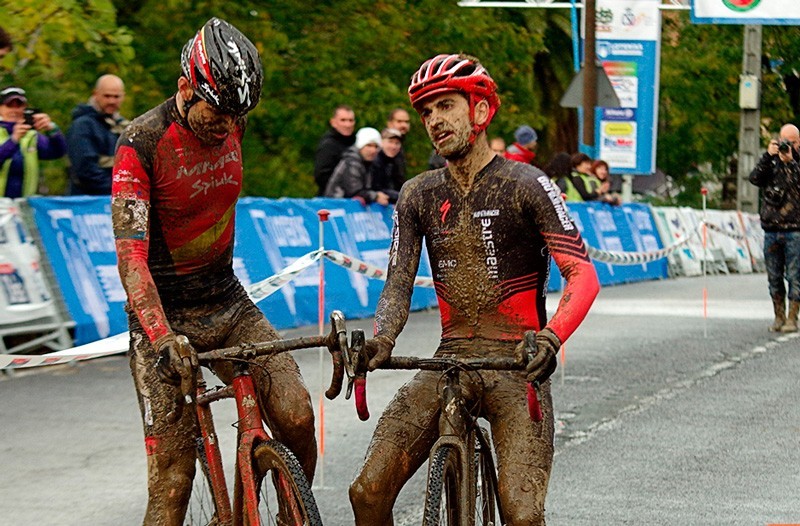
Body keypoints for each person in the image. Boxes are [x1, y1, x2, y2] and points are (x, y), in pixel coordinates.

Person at [349, 53, 600, 525]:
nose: (434, 120)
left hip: (516, 363)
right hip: (450, 357)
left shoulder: (527, 183)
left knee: (522, 515)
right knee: (367, 491)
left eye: (446, 105)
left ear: (481, 112)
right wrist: (382, 338)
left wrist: (552, 337)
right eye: (427, 112)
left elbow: (582, 275)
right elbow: (397, 284)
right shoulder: (418, 193)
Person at [111, 18, 317, 525]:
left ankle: (276, 510)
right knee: (174, 478)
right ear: (185, 87)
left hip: (227, 301)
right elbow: (131, 258)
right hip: (164, 318)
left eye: (237, 115)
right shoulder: (140, 142)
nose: (227, 125)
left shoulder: (233, 120)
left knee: (297, 417)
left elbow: (227, 116)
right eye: (217, 111)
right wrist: (160, 336)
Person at [748, 123, 800, 333]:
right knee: (774, 276)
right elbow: (754, 179)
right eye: (784, 142)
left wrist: (792, 163)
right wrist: (767, 157)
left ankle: (792, 317)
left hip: (795, 228)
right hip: (771, 227)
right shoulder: (771, 162)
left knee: (795, 275)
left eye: (793, 142)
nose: (788, 146)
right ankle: (778, 315)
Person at [67, 74, 129, 195]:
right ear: (95, 94)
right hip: (89, 201)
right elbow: (85, 169)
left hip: (115, 198)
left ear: (123, 97)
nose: (111, 101)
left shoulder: (123, 126)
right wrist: (119, 189)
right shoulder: (83, 125)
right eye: (107, 96)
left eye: (116, 97)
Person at [0, 86, 66, 198]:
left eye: (19, 106)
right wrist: (13, 140)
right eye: (9, 105)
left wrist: (52, 130)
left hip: (24, 203)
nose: (14, 110)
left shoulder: (31, 135)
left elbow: (58, 152)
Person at [324, 126, 389, 205]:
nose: (373, 150)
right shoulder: (351, 162)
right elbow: (354, 191)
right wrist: (375, 196)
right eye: (369, 145)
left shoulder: (371, 164)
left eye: (376, 147)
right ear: (360, 146)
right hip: (337, 207)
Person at [314, 104, 356, 195]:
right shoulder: (328, 145)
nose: (347, 124)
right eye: (343, 120)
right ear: (333, 122)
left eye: (351, 120)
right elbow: (321, 176)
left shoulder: (357, 143)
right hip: (332, 199)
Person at [370, 127, 405, 203]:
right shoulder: (374, 161)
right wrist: (401, 196)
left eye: (397, 143)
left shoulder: (398, 161)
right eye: (390, 142)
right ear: (381, 142)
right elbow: (376, 188)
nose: (393, 146)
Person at [386, 107, 411, 182]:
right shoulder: (384, 145)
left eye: (406, 122)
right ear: (389, 124)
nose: (404, 125)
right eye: (399, 121)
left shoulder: (401, 144)